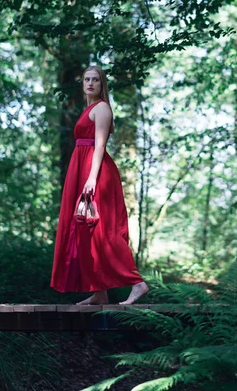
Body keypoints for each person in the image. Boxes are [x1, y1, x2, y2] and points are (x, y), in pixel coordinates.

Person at [50, 65, 149, 305]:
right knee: (86, 231)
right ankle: (99, 292)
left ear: (102, 84)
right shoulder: (89, 109)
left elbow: (100, 145)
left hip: (96, 172)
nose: (91, 83)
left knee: (102, 232)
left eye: (95, 79)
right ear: (83, 84)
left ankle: (137, 283)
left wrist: (92, 178)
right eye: (87, 79)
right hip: (81, 169)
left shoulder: (102, 108)